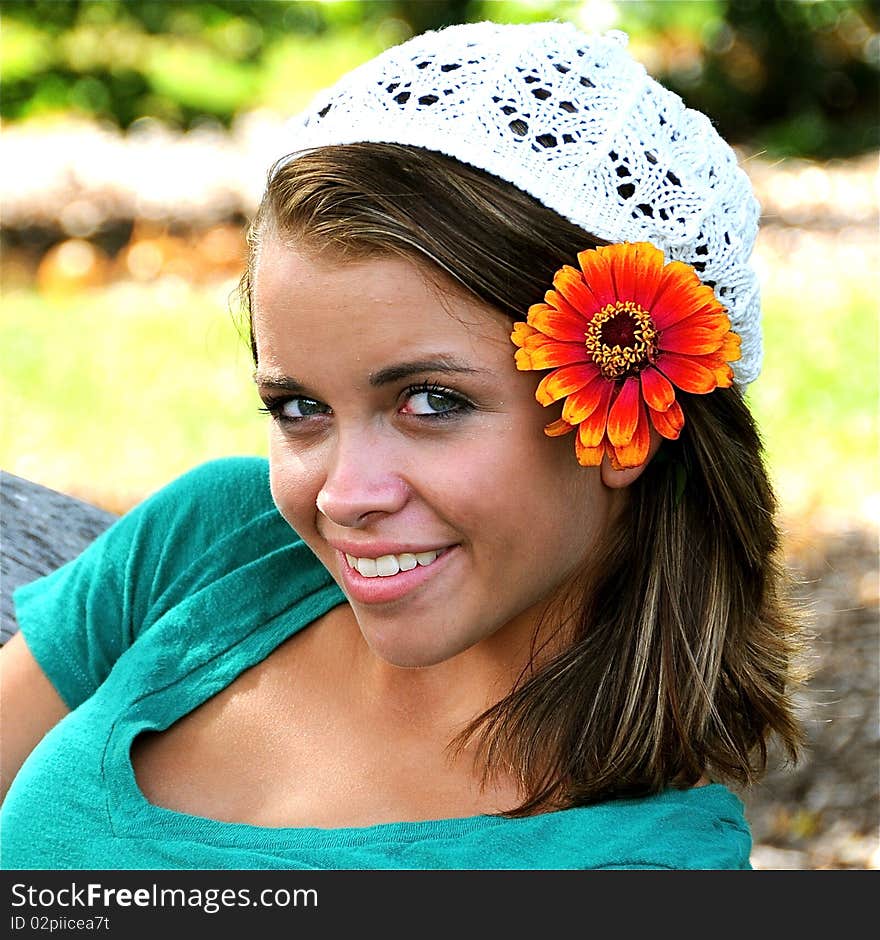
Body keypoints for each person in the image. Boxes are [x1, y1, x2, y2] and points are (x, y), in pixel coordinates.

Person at [0, 19, 806, 870]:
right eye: (299, 405)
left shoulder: (637, 865)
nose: (345, 495)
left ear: (626, 413)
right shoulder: (214, 542)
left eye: (430, 401)